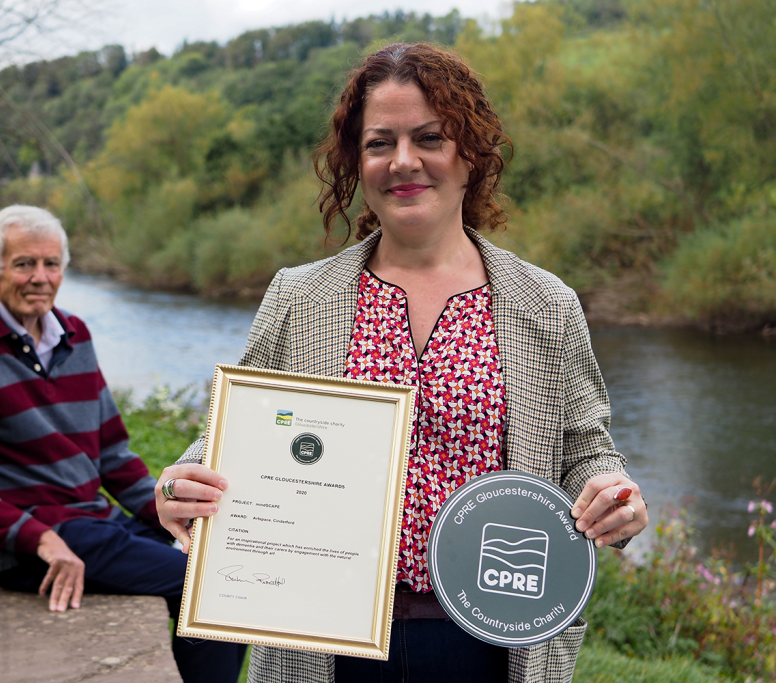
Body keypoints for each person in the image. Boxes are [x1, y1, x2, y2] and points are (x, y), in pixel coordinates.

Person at [153, 44, 648, 683]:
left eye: (430, 137)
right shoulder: (300, 297)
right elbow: (234, 437)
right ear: (357, 163)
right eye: (380, 143)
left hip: (491, 638)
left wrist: (614, 496)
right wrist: (181, 482)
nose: (404, 161)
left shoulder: (546, 304)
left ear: (471, 154)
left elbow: (585, 451)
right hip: (323, 638)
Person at [0, 205, 245, 683]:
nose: (40, 277)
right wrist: (41, 539)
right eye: (24, 263)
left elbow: (112, 454)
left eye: (51, 263)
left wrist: (169, 514)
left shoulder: (75, 334)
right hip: (31, 547)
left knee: (225, 564)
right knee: (208, 587)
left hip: (95, 525)